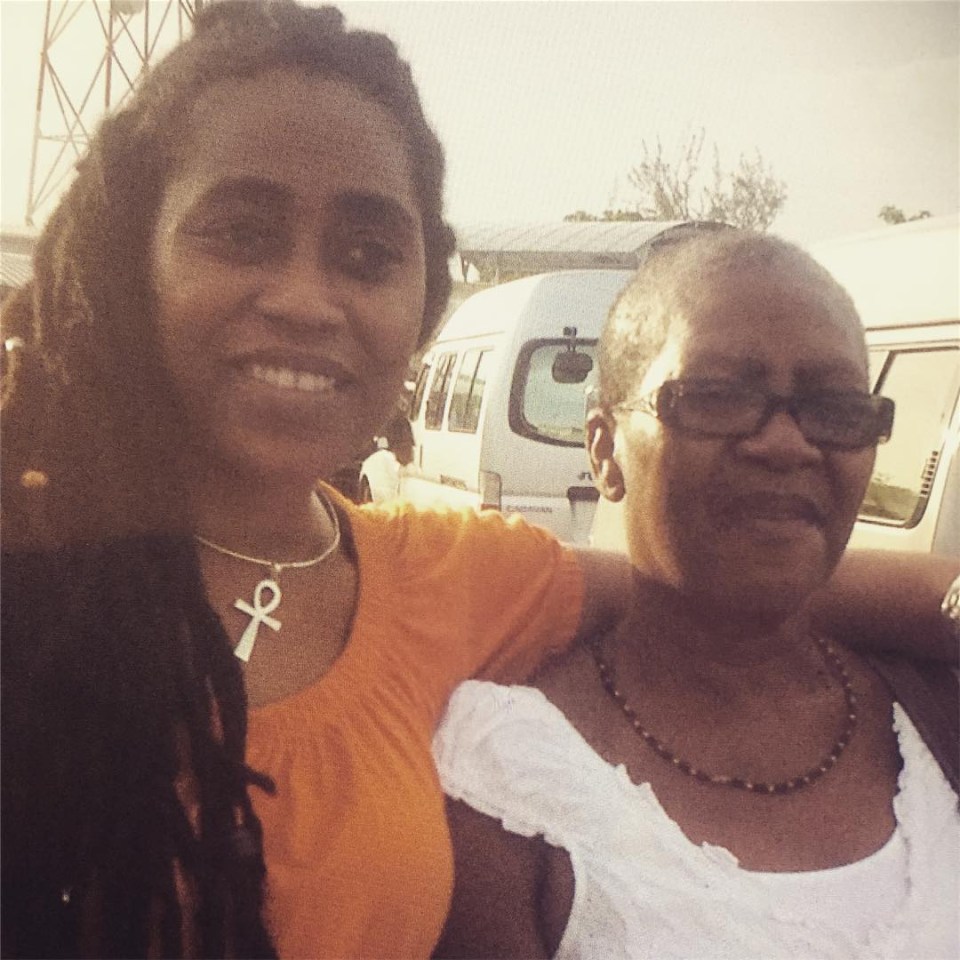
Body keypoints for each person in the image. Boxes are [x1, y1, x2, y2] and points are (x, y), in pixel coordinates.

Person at [0, 4, 954, 957]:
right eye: (243, 234)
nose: (303, 298)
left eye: (369, 256)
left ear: (421, 303)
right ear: (136, 261)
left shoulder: (449, 578)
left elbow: (714, 581)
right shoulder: (32, 572)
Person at [434, 231, 960, 959]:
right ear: (603, 448)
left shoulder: (932, 716)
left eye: (835, 409)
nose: (786, 445)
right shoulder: (509, 782)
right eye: (715, 397)